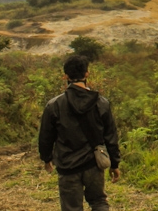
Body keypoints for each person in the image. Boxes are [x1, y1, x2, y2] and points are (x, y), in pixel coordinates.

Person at [39, 54, 121, 211]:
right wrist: (115, 164)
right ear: (87, 74)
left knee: (71, 208)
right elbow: (111, 137)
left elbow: (45, 137)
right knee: (99, 202)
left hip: (67, 167)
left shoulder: (54, 105)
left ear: (66, 76)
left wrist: (46, 158)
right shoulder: (101, 103)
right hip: (93, 165)